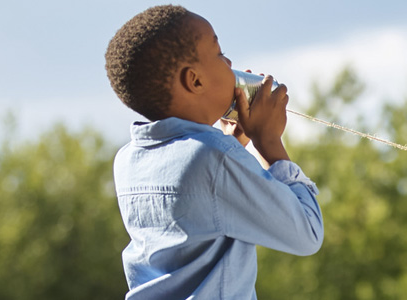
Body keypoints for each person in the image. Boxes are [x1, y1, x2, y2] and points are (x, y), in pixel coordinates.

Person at [105, 5, 323, 299]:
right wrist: (268, 142)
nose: (229, 61)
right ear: (194, 80)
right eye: (219, 54)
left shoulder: (128, 160)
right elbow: (307, 234)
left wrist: (235, 144)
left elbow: (196, 216)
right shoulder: (212, 158)